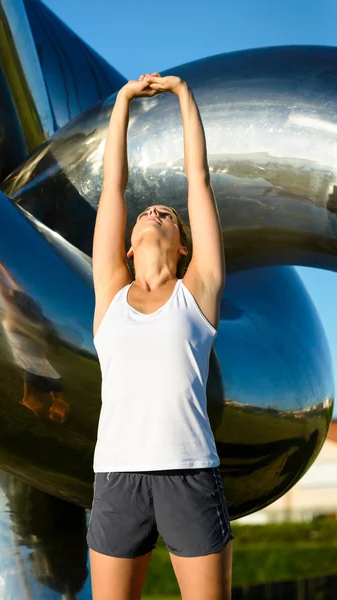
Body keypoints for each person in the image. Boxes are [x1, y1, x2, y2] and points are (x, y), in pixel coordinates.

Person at [87, 73, 233, 599]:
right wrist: (123, 100)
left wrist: (184, 96)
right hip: (117, 478)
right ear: (127, 246)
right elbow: (112, 185)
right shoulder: (110, 295)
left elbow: (199, 180)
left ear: (183, 246)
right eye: (148, 212)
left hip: (189, 475)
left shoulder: (198, 293)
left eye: (167, 216)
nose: (156, 212)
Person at [0, 242, 70, 423]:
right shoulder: (24, 308)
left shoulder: (16, 310)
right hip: (31, 350)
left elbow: (6, 287)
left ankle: (48, 405)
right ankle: (49, 405)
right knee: (42, 379)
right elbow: (13, 284)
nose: (10, 293)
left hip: (29, 349)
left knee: (39, 380)